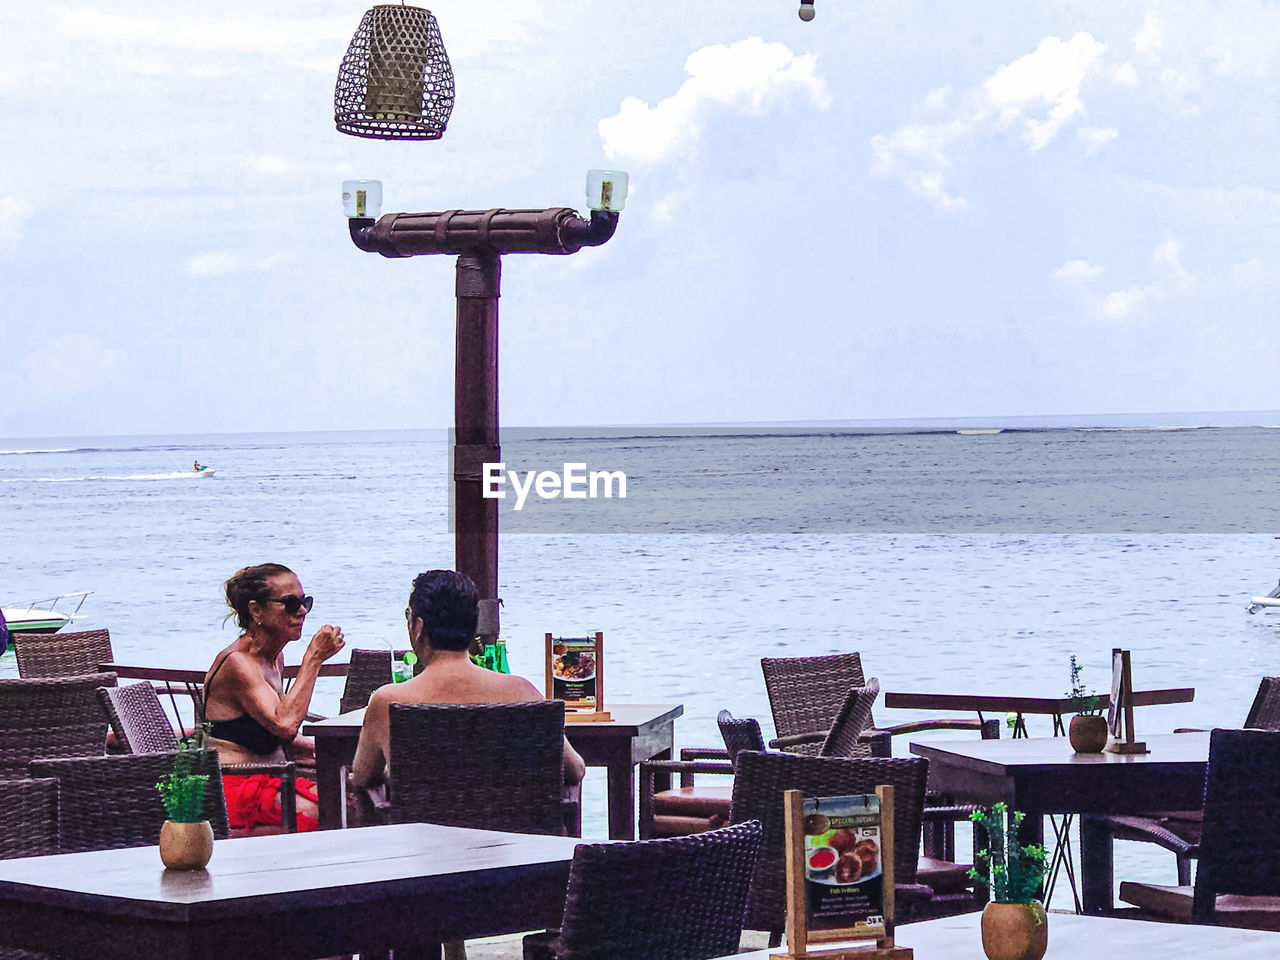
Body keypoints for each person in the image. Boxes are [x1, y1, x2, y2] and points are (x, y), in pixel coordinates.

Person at [352, 569, 585, 793]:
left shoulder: (389, 701)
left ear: (419, 626)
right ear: (472, 625)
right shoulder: (523, 693)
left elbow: (363, 776)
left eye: (408, 616)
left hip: (424, 832)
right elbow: (575, 769)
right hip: (511, 833)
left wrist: (402, 777)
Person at [205, 563, 345, 833]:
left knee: (352, 797)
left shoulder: (273, 658)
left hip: (273, 777)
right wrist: (313, 658)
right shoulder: (239, 663)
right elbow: (285, 723)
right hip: (233, 789)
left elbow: (276, 729)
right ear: (256, 610)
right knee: (327, 811)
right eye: (291, 604)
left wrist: (321, 748)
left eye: (305, 602)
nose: (302, 611)